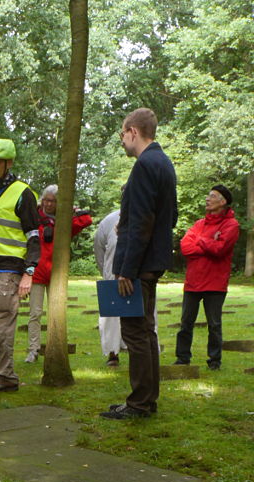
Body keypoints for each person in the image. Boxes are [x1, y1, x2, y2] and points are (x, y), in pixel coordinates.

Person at [101, 108, 177, 419]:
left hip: (139, 265)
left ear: (133, 131)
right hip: (153, 259)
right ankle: (147, 400)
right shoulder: (164, 163)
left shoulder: (145, 165)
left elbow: (143, 221)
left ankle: (139, 403)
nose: (122, 140)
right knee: (147, 331)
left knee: (134, 332)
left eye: (122, 134)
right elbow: (165, 217)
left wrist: (125, 271)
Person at [0, 138, 40, 392]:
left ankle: (6, 376)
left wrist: (29, 272)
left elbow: (33, 235)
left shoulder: (22, 193)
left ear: (8, 163)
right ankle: (0, 373)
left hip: (10, 271)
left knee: (0, 323)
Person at [174, 184, 240, 371]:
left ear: (223, 202)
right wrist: (209, 241)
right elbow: (185, 248)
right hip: (193, 282)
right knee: (186, 323)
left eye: (212, 196)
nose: (207, 199)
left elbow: (220, 250)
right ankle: (182, 358)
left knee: (214, 324)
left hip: (215, 283)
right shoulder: (198, 224)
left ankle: (214, 361)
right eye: (208, 195)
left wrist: (200, 240)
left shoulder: (231, 225)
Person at [25, 185, 92, 362]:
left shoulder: (64, 222)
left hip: (57, 275)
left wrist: (71, 209)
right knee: (35, 313)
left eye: (52, 201)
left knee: (56, 315)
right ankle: (33, 350)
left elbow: (86, 220)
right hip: (38, 273)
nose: (48, 204)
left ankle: (55, 348)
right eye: (45, 200)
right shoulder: (35, 218)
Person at [93, 207, 125, 366]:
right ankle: (112, 353)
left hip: (139, 275)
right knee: (110, 316)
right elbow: (99, 248)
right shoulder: (109, 220)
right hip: (112, 274)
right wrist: (106, 272)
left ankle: (138, 352)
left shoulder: (147, 216)